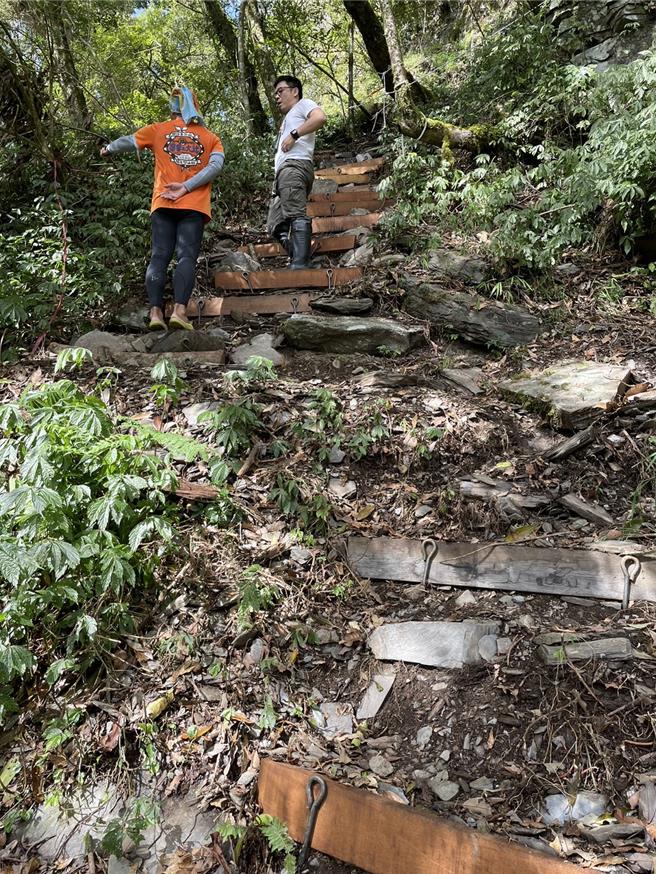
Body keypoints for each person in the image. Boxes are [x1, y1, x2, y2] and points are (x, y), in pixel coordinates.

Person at [100, 87, 224, 331]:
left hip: (163, 202)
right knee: (186, 257)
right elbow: (216, 165)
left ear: (172, 108)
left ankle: (156, 314)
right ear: (195, 106)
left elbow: (129, 141)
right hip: (194, 205)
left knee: (159, 256)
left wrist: (108, 148)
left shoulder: (158, 130)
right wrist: (187, 187)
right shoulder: (210, 137)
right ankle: (179, 312)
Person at [267, 76, 327, 270]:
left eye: (280, 91)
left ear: (295, 91)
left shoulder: (303, 104)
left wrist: (294, 134)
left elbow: (320, 118)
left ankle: (300, 264)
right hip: (284, 173)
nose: (277, 96)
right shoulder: (288, 117)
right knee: (275, 224)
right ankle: (297, 252)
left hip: (294, 167)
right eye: (275, 93)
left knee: (296, 214)